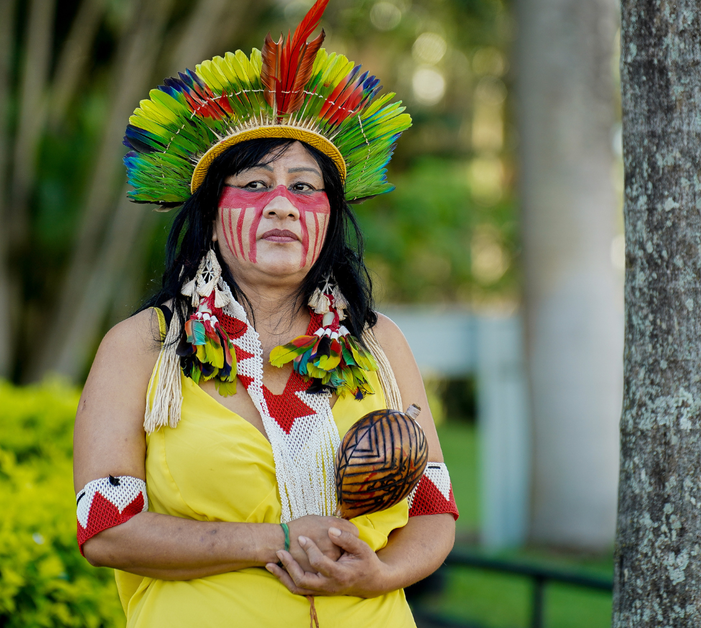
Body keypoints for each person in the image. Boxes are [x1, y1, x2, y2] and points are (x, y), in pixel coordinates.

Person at [72, 1, 458, 625]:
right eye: (254, 185)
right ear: (209, 213)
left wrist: (380, 573)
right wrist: (278, 539)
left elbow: (434, 511)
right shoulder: (143, 345)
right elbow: (106, 530)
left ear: (330, 217)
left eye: (305, 188)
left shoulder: (379, 343)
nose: (282, 205)